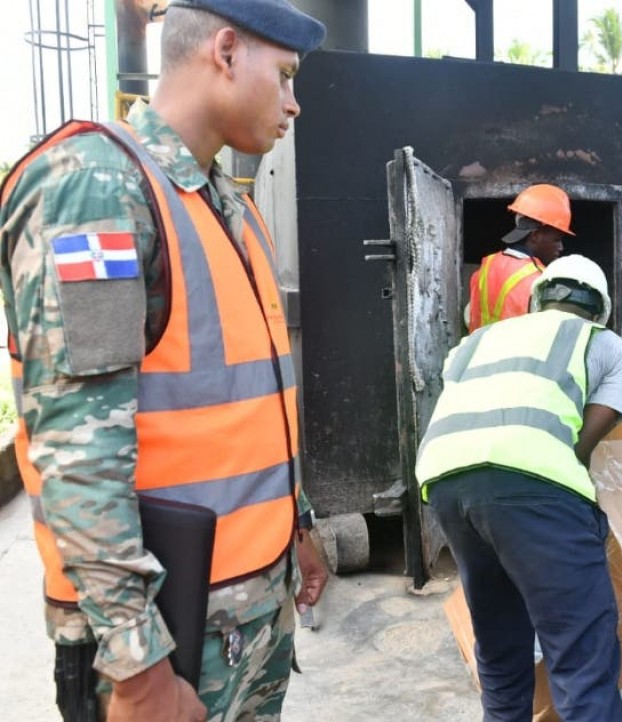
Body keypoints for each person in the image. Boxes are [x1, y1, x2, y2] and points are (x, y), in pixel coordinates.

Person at [0, 1, 330, 720]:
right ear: (226, 51)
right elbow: (77, 448)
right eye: (285, 76)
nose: (294, 103)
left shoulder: (227, 207)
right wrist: (137, 666)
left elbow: (249, 403)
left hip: (246, 611)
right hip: (166, 636)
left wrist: (294, 529)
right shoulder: (94, 184)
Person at [418, 255, 622, 721]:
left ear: (538, 299)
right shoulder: (605, 344)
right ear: (601, 310)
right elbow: (578, 447)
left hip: (447, 483)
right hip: (534, 487)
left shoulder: (475, 341)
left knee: (499, 645)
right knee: (581, 656)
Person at [466, 183, 572, 331]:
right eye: (557, 239)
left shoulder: (488, 265)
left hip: (479, 351)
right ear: (535, 235)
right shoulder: (540, 282)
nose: (561, 247)